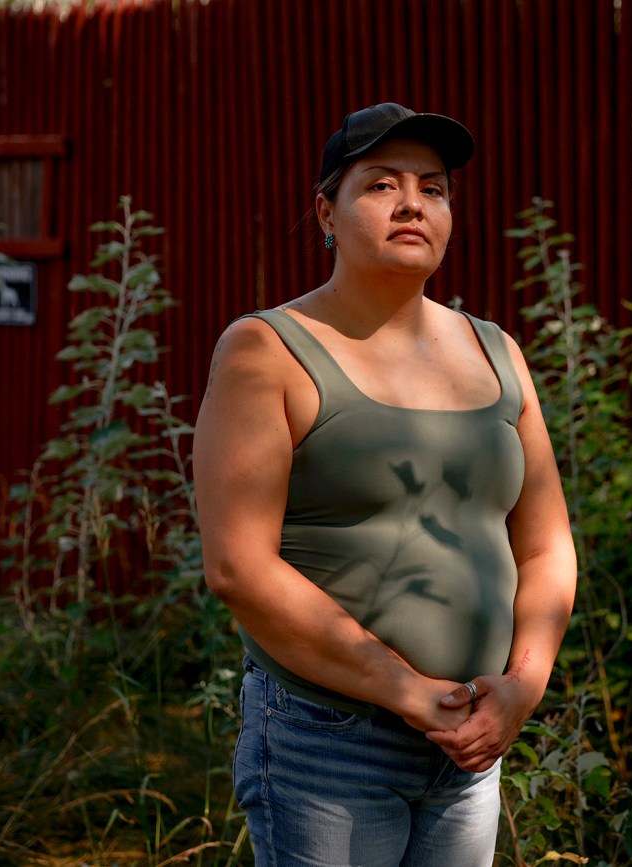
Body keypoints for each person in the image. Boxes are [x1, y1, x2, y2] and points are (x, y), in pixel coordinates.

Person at [192, 102, 577, 867]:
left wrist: (522, 687)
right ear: (325, 211)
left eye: (432, 188)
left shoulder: (497, 351)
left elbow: (548, 545)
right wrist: (400, 686)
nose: (412, 203)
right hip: (329, 738)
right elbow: (237, 566)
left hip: (470, 742)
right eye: (380, 185)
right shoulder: (266, 351)